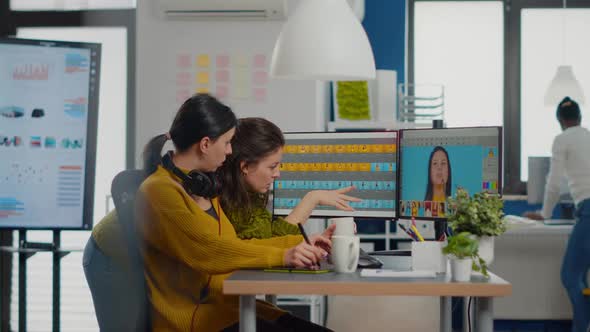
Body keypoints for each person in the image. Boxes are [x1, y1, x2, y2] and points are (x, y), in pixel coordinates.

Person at [135, 94, 334, 331]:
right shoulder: (159, 191)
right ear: (206, 144)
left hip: (226, 308)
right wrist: (283, 256)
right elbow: (208, 251)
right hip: (196, 321)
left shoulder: (203, 187)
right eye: (227, 142)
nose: (230, 151)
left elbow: (237, 243)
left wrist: (302, 242)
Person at [218, 117, 360, 240]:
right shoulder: (231, 208)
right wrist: (312, 199)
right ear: (245, 167)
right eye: (272, 166)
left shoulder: (250, 197)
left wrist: (315, 241)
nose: (277, 174)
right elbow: (269, 245)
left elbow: (271, 236)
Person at [524, 96, 590, 332]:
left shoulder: (562, 140)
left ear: (560, 121)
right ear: (580, 118)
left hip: (588, 210)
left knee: (570, 276)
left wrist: (545, 212)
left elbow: (553, 182)